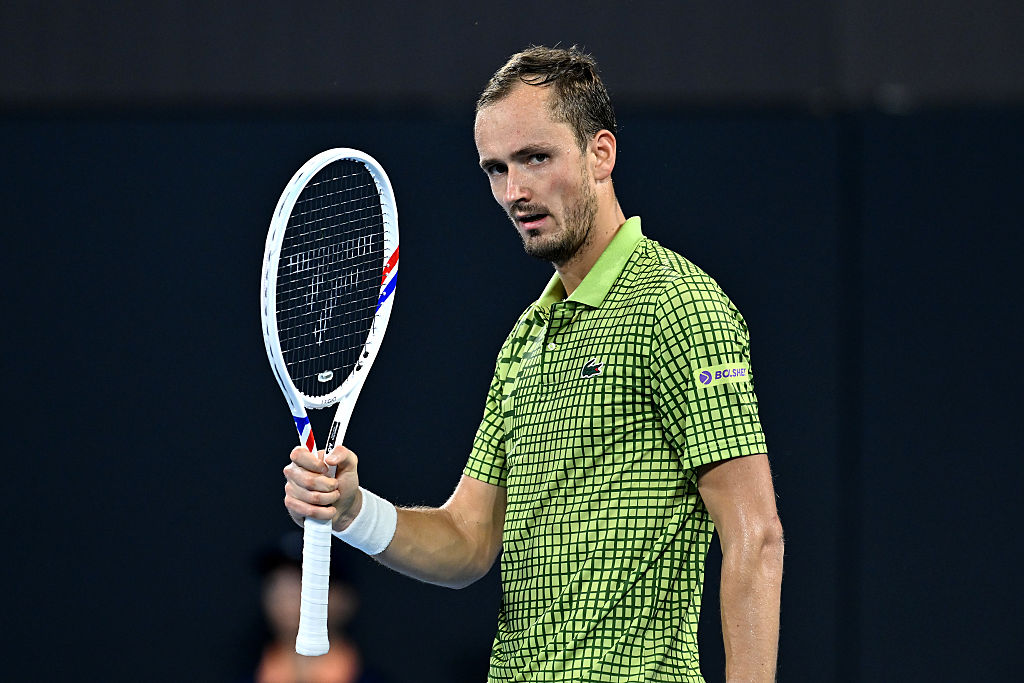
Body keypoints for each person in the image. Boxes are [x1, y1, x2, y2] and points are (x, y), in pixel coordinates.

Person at [284, 45, 784, 682]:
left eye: (535, 158)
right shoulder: (525, 340)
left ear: (600, 153)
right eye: (495, 169)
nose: (514, 191)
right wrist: (354, 509)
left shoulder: (679, 307)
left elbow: (755, 536)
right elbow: (468, 539)